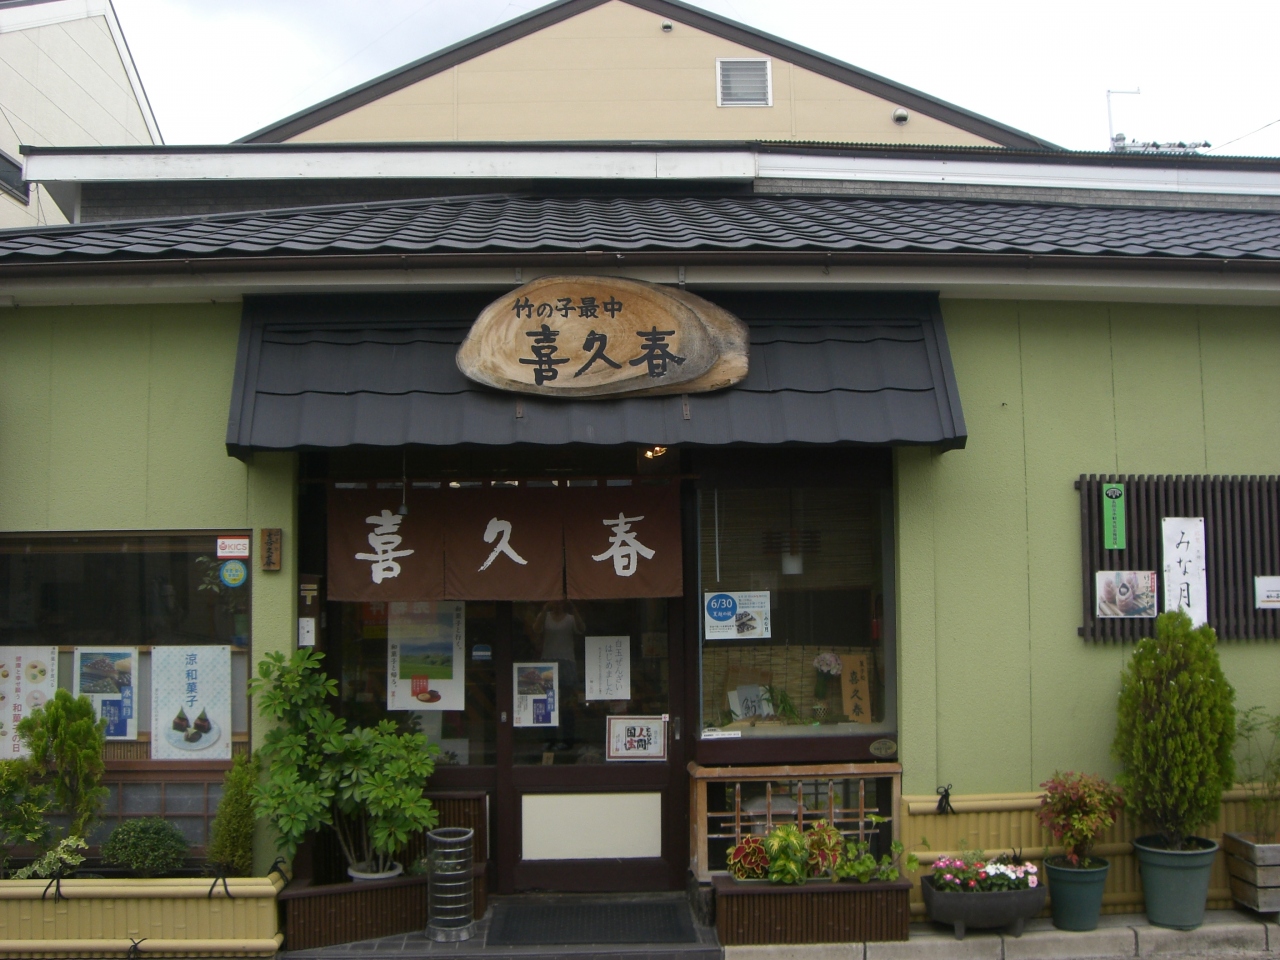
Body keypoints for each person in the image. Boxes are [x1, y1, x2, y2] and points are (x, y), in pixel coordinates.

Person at [532, 599, 585, 749]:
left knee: (567, 703)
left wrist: (574, 608)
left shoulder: (570, 619)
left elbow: (581, 629)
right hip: (548, 662)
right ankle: (550, 739)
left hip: (566, 662)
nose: (557, 604)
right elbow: (536, 629)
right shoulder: (546, 617)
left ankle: (568, 740)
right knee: (548, 703)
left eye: (560, 602)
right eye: (555, 602)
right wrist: (544, 609)